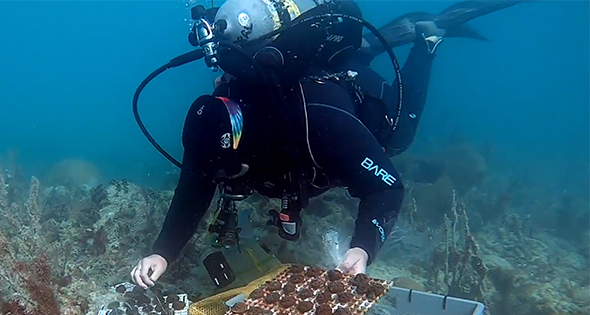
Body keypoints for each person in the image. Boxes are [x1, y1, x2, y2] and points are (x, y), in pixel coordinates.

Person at [131, 0, 445, 289]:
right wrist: (163, 253)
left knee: (398, 136)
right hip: (293, 122)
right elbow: (193, 189)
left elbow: (386, 187)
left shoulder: (320, 122)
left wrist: (362, 248)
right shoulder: (213, 122)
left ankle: (425, 42)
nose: (220, 173)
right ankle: (361, 49)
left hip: (351, 94)